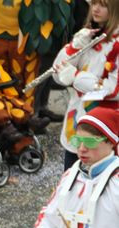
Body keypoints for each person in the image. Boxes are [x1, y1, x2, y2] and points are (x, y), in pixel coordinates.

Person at [51, 0, 119, 168]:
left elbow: (113, 89)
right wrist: (74, 48)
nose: (95, 9)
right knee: (72, 180)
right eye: (93, 3)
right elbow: (57, 74)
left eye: (103, 4)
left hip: (105, 128)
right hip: (78, 120)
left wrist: (76, 77)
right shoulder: (89, 35)